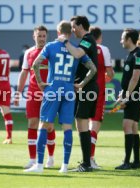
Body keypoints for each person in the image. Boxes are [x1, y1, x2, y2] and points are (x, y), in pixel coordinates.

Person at [24, 20, 96, 173]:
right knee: (67, 128)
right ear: (70, 33)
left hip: (53, 88)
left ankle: (39, 165)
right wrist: (82, 84)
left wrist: (41, 83)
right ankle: (64, 166)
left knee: (44, 125)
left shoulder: (50, 46)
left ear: (58, 32)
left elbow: (36, 64)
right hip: (69, 90)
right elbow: (93, 69)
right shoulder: (76, 49)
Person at [58, 15, 98, 172]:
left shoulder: (87, 39)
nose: (72, 30)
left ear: (81, 26)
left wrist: (65, 41)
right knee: (80, 123)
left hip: (87, 89)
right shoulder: (87, 40)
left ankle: (87, 164)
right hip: (85, 88)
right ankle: (86, 162)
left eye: (74, 27)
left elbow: (77, 54)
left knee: (82, 124)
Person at [14, 25, 56, 169]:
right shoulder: (29, 53)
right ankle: (32, 159)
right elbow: (24, 73)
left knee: (49, 126)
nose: (42, 38)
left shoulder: (52, 51)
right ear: (34, 36)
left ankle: (50, 158)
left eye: (44, 36)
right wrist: (18, 93)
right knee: (32, 124)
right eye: (39, 36)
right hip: (33, 93)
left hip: (49, 94)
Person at [115, 28, 140, 170]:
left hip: (135, 95)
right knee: (133, 127)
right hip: (131, 94)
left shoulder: (139, 54)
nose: (121, 40)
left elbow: (135, 78)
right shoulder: (131, 54)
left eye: (122, 38)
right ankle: (137, 162)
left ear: (129, 39)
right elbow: (128, 79)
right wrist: (122, 94)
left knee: (127, 126)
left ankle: (127, 162)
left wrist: (127, 96)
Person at [88, 26, 114, 169]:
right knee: (95, 124)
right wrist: (107, 76)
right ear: (100, 37)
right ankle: (90, 159)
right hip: (98, 91)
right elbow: (110, 73)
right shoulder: (103, 49)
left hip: (83, 90)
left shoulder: (82, 47)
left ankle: (85, 158)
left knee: (83, 124)